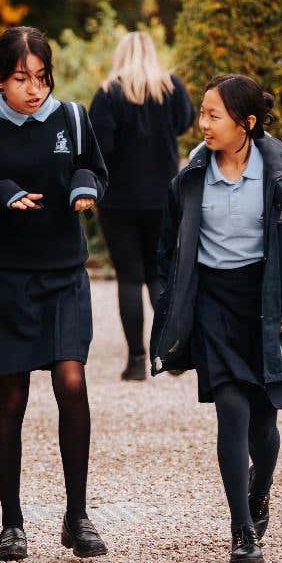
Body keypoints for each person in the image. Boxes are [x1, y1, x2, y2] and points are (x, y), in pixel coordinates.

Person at [150, 73, 282, 563]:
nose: (202, 123)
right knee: (230, 410)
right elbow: (167, 247)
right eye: (203, 113)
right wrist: (173, 307)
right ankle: (242, 531)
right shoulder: (191, 176)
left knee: (264, 422)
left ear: (246, 123)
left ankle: (261, 490)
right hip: (213, 303)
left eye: (214, 115)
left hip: (265, 304)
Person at [0, 26, 111, 562]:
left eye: (41, 78)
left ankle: (77, 514)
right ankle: (12, 521)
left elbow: (94, 167)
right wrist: (5, 194)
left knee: (72, 382)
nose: (34, 89)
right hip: (3, 279)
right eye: (22, 79)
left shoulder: (72, 117)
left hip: (63, 274)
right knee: (12, 397)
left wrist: (86, 187)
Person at [89, 31, 196, 380]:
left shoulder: (108, 93)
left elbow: (98, 145)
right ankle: (172, 353)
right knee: (158, 275)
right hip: (163, 197)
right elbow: (185, 123)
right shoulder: (171, 88)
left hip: (118, 199)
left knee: (129, 278)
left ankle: (136, 360)